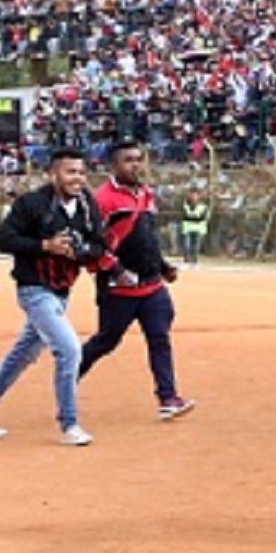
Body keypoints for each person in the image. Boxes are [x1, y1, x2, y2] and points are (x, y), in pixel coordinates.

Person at [0, 148, 121, 446]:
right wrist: (45, 245)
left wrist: (81, 251)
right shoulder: (32, 203)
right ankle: (69, 424)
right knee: (69, 349)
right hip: (34, 289)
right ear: (53, 174)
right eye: (70, 172)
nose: (78, 179)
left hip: (62, 291)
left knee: (23, 354)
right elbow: (4, 240)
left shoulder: (87, 204)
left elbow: (100, 245)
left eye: (81, 172)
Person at [78, 141, 195, 421]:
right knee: (106, 340)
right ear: (113, 166)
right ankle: (68, 374)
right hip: (119, 288)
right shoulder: (102, 200)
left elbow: (147, 238)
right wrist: (117, 271)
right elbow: (92, 245)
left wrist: (164, 267)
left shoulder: (146, 194)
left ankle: (168, 397)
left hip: (152, 285)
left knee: (159, 338)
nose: (135, 165)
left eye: (138, 159)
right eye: (128, 160)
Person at [179, 189, 209, 266]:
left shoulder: (203, 206)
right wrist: (195, 217)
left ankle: (195, 261)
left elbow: (202, 218)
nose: (193, 197)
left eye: (195, 195)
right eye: (192, 195)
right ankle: (186, 261)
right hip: (187, 228)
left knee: (196, 246)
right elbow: (184, 216)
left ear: (199, 196)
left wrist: (192, 217)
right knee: (186, 245)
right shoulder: (185, 205)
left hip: (198, 228)